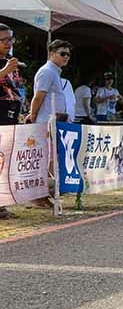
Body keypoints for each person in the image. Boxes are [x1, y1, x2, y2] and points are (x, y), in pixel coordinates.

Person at [0, 24, 22, 219]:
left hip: (10, 120)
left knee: (4, 164)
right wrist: (5, 69)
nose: (8, 43)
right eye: (4, 40)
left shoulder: (11, 63)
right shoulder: (7, 65)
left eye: (10, 39)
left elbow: (15, 89)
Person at [27, 40, 72, 124]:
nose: (66, 57)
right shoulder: (47, 71)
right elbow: (38, 97)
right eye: (62, 54)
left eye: (68, 54)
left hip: (54, 121)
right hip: (46, 122)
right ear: (51, 54)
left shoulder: (54, 71)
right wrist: (32, 115)